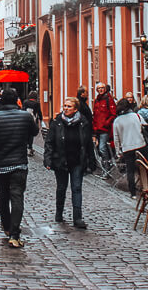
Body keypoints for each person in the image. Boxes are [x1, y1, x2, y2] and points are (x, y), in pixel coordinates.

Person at [0, 87, 39, 248]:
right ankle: (14, 233)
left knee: (3, 196)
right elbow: (35, 132)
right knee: (17, 197)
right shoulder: (25, 116)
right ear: (16, 101)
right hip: (19, 163)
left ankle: (7, 226)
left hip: (1, 164)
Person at [44, 97, 95, 228]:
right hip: (60, 160)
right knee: (61, 188)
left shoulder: (83, 123)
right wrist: (48, 159)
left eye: (69, 106)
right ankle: (59, 213)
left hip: (77, 160)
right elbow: (49, 142)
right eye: (65, 106)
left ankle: (77, 218)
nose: (65, 108)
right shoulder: (57, 122)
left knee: (77, 188)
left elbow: (88, 143)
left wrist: (91, 161)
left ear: (76, 109)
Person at [112, 99, 146, 198]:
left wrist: (118, 151)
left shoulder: (117, 120)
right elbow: (145, 125)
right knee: (142, 168)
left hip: (127, 147)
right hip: (141, 144)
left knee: (130, 170)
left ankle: (133, 192)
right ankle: (145, 189)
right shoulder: (136, 116)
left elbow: (116, 137)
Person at [91, 84, 117, 168]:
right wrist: (94, 128)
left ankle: (107, 167)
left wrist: (107, 123)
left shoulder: (109, 100)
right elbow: (95, 115)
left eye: (102, 88)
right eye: (99, 88)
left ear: (105, 89)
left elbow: (113, 114)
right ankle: (105, 166)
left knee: (102, 148)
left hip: (105, 129)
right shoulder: (97, 100)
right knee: (99, 149)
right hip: (97, 129)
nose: (100, 90)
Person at [22, 90, 43, 156]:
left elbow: (23, 110)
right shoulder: (36, 103)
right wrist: (41, 119)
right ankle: (30, 147)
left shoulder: (25, 102)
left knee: (26, 133)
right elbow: (39, 112)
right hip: (33, 120)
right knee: (31, 134)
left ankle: (25, 147)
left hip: (25, 119)